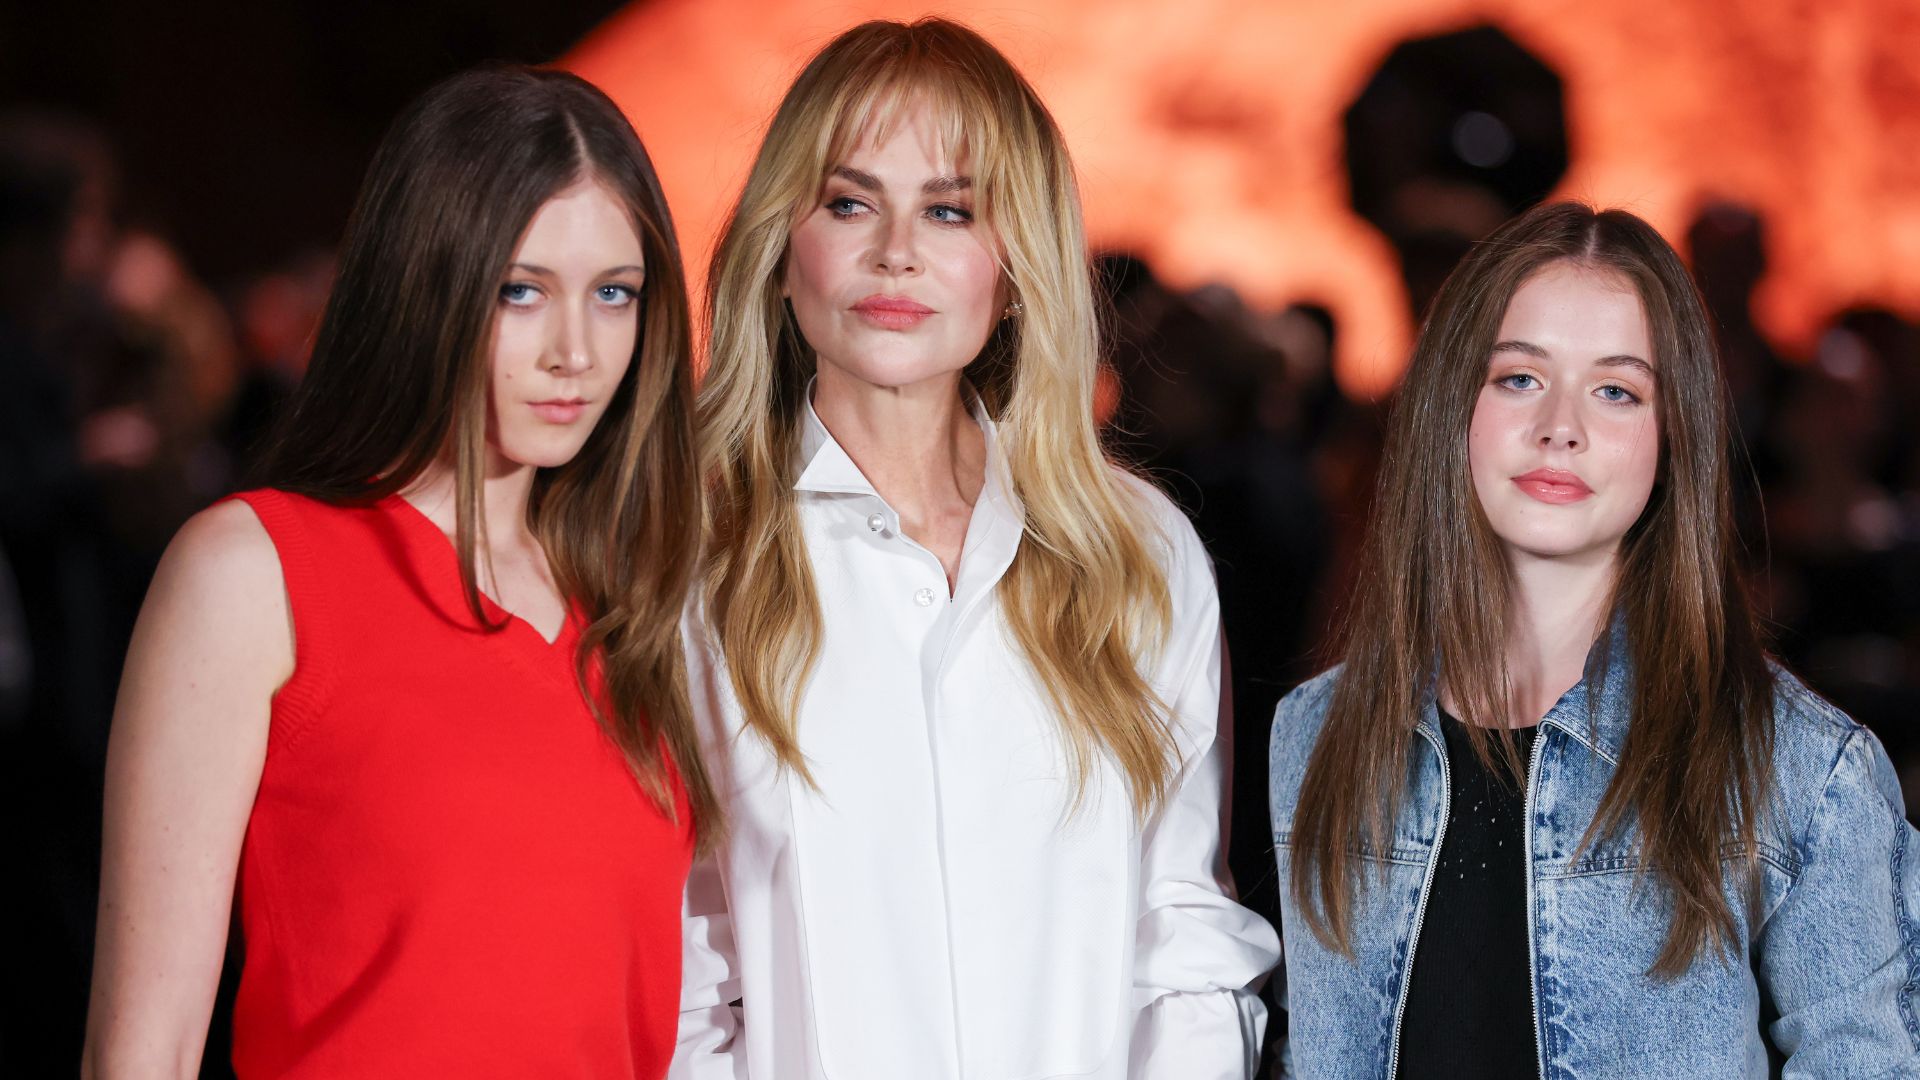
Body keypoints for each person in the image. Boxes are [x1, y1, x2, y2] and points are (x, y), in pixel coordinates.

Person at [82, 66, 714, 1078]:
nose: (575, 352)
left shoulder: (650, 602)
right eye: (520, 290)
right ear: (427, 281)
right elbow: (142, 1050)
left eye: (614, 294)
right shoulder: (256, 573)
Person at [676, 18, 1277, 1079]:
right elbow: (684, 969)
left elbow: (1183, 944)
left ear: (1012, 263)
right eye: (850, 202)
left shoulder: (1139, 554)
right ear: (781, 252)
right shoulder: (688, 563)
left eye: (949, 209)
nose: (895, 251)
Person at [1268, 201, 1920, 1077]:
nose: (1561, 427)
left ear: (1671, 435)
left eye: (1616, 390)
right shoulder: (1316, 735)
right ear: (1452, 405)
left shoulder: (1801, 769)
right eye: (1519, 378)